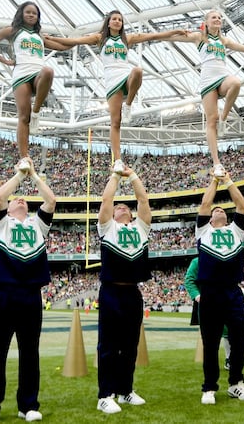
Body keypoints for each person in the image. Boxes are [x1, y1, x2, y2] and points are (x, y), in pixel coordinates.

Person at [46, 11, 187, 174]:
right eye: (114, 19)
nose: (117, 21)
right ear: (108, 22)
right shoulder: (100, 38)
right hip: (111, 80)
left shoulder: (127, 39)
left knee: (138, 71)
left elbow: (153, 36)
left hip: (126, 76)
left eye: (120, 20)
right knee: (115, 122)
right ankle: (118, 159)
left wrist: (174, 32)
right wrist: (53, 39)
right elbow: (74, 41)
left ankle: (128, 104)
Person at [0, 158, 56, 424]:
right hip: (4, 294)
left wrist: (33, 175)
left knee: (30, 353)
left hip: (31, 295)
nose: (20, 199)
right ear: (9, 210)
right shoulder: (0, 225)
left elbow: (51, 201)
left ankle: (28, 405)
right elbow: (0, 196)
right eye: (16, 200)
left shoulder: (38, 225)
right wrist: (19, 176)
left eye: (24, 199)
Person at [166, 10, 244, 178]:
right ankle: (216, 163)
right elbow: (172, 38)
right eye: (214, 17)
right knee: (211, 121)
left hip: (223, 77)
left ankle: (224, 117)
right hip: (207, 81)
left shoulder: (224, 40)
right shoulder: (199, 37)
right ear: (206, 22)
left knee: (236, 83)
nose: (217, 19)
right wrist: (155, 35)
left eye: (219, 17)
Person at [0, 1, 69, 167]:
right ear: (21, 13)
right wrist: (5, 60)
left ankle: (37, 111)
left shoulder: (39, 36)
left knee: (48, 71)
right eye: (28, 12)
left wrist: (84, 41)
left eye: (34, 13)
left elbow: (62, 47)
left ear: (38, 17)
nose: (31, 15)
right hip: (21, 75)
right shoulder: (12, 30)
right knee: (23, 116)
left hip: (37, 74)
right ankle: (24, 158)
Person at [94, 166, 151, 414]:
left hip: (132, 292)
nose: (122, 207)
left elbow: (143, 199)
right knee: (107, 345)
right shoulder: (108, 228)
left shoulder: (140, 229)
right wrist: (116, 175)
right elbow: (107, 199)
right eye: (119, 207)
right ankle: (105, 394)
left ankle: (125, 390)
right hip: (110, 291)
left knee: (130, 345)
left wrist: (134, 176)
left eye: (125, 208)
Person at [194, 169, 244, 404]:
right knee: (211, 342)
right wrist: (214, 180)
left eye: (222, 210)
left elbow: (241, 204)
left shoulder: (235, 231)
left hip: (232, 291)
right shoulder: (203, 231)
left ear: (227, 219)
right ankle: (209, 387)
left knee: (240, 339)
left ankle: (236, 383)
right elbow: (206, 202)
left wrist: (228, 180)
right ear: (209, 219)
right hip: (209, 292)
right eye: (215, 210)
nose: (219, 209)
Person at [184, 257, 232, 370]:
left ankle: (229, 359)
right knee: (209, 336)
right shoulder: (197, 262)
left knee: (228, 332)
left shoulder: (224, 260)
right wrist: (197, 295)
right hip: (206, 304)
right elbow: (189, 280)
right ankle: (211, 364)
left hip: (224, 301)